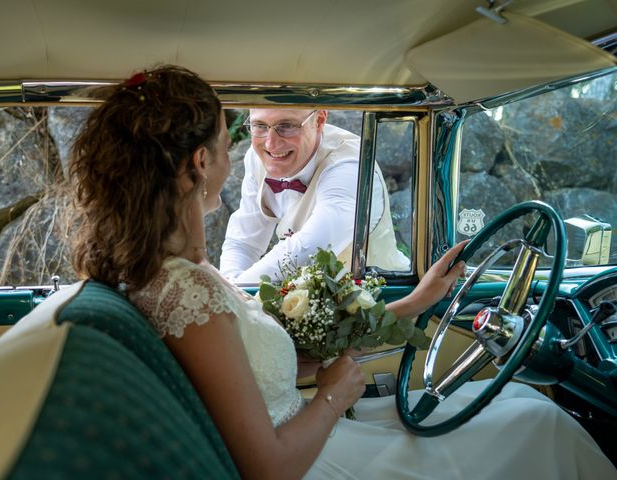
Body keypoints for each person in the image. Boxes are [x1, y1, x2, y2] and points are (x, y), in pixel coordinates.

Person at [70, 65, 616, 480]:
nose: (249, 152)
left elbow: (257, 343)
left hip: (305, 423)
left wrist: (416, 302)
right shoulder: (188, 290)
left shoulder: (170, 277)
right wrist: (333, 394)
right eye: (232, 139)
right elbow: (268, 467)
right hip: (311, 456)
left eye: (280, 127)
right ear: (200, 163)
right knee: (539, 421)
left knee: (520, 402)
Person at [219, 108, 410, 283]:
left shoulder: (350, 166)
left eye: (286, 126)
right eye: (259, 126)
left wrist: (237, 291)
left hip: (380, 302)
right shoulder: (258, 156)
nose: (271, 143)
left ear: (319, 121)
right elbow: (244, 242)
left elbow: (309, 247)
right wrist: (228, 290)